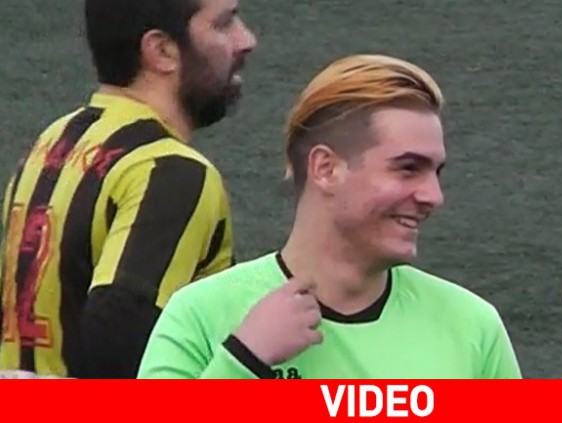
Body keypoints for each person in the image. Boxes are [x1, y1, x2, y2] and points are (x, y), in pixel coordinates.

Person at [137, 53, 522, 379]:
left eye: (436, 173)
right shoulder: (201, 315)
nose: (433, 197)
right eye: (408, 169)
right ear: (326, 169)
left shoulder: (472, 328)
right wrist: (243, 360)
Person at [0, 0, 256, 378]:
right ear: (162, 51)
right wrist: (249, 354)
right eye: (223, 24)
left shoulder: (52, 143)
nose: (246, 39)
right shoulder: (172, 171)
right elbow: (118, 343)